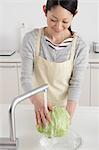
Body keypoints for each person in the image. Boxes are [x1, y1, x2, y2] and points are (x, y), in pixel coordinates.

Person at [21, 0, 88, 128]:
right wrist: (37, 102)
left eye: (65, 22)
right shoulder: (31, 39)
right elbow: (25, 79)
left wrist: (65, 119)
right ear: (44, 10)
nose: (58, 27)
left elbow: (76, 84)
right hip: (36, 109)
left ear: (75, 15)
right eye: (53, 20)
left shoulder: (80, 46)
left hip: (65, 111)